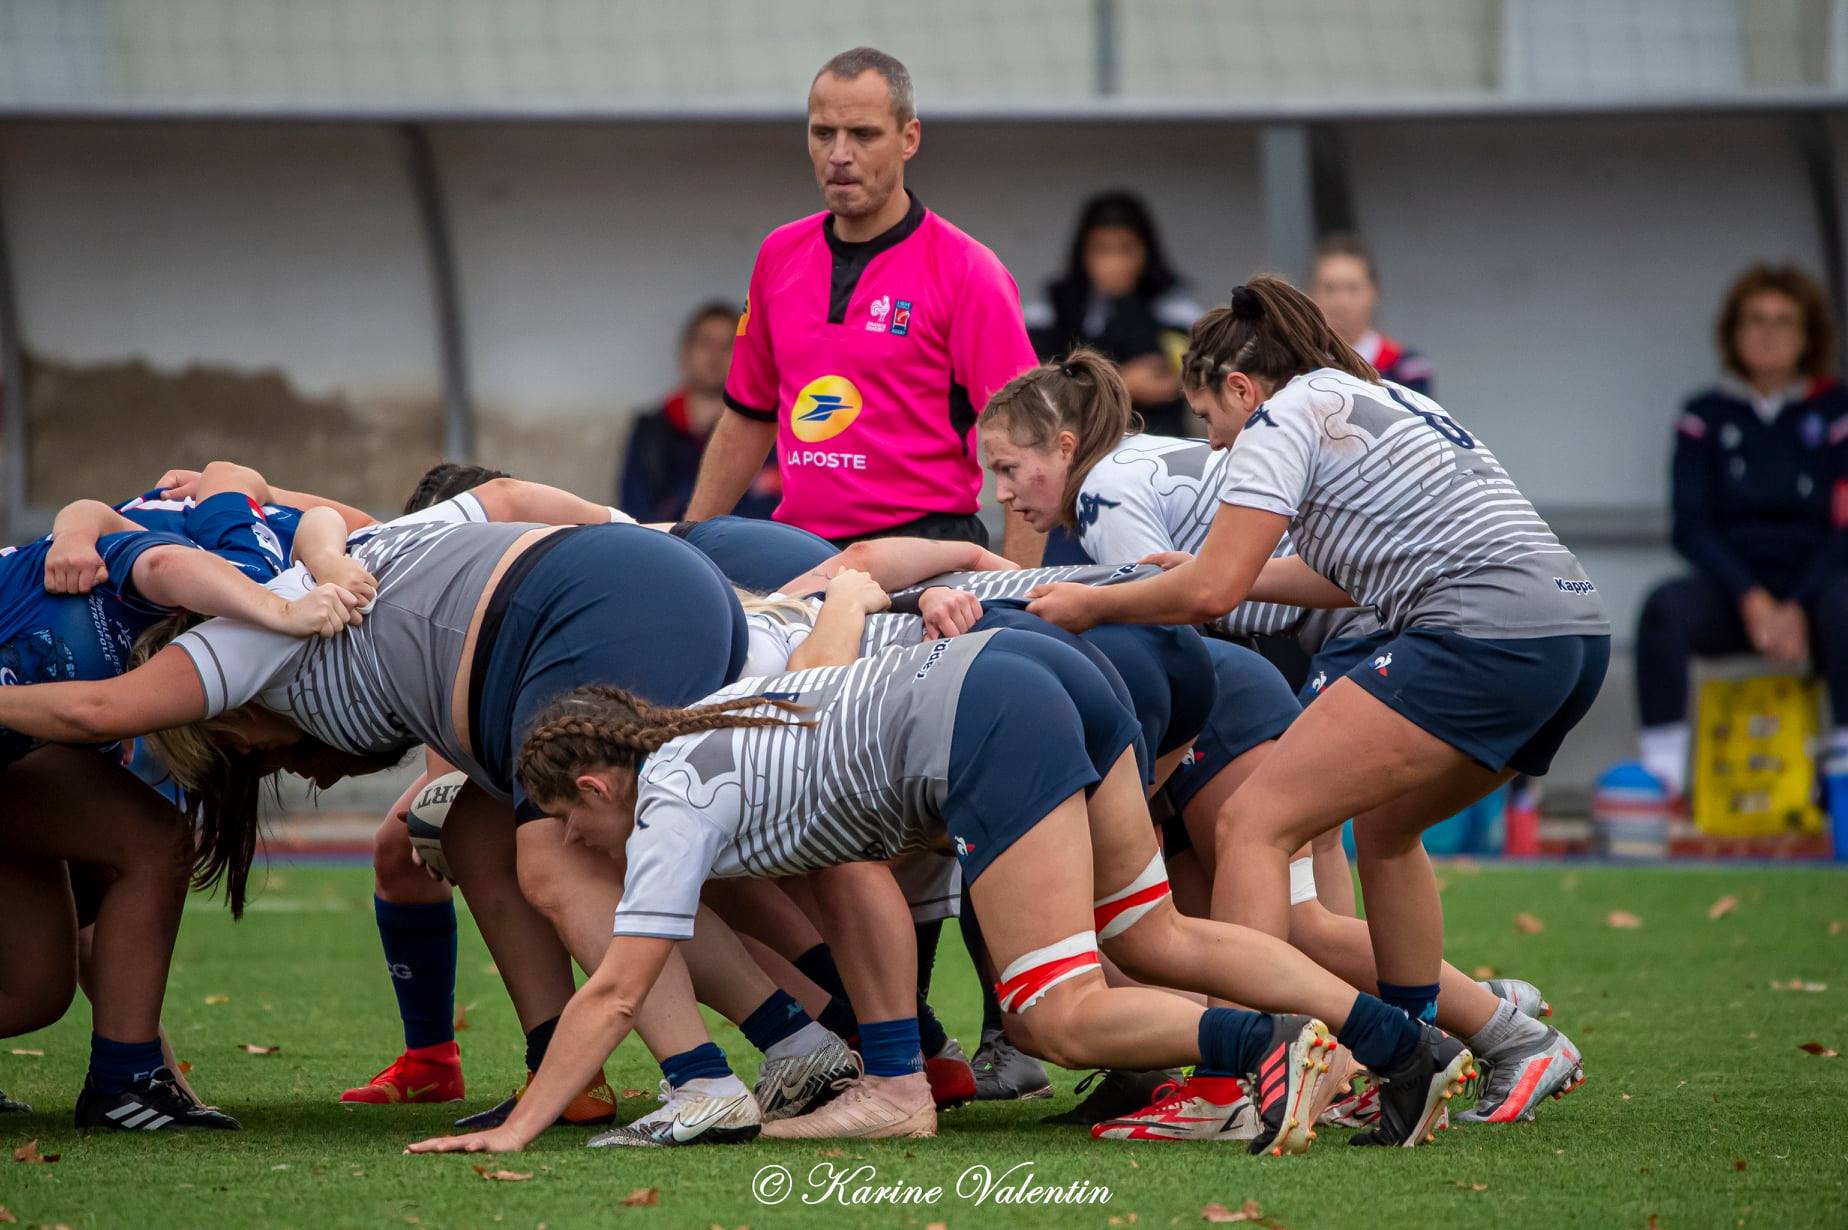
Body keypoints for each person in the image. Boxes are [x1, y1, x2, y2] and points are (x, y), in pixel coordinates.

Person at [0, 481, 859, 1147]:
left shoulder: (241, 638)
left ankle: (706, 1082)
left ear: (233, 726)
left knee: (565, 860)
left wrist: (281, 601)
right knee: (482, 829)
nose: (311, 774)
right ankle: (767, 1049)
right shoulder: (333, 549)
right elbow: (282, 499)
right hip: (633, 587)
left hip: (587, 610)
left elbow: (97, 713)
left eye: (273, 759)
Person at [405, 628, 1477, 1158]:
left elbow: (615, 990)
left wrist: (516, 1128)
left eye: (574, 824)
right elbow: (853, 881)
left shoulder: (673, 799)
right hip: (1040, 670)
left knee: (1055, 1012)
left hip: (990, 713)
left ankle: (1270, 1052)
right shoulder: (713, 723)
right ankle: (1401, 1047)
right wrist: (895, 1080)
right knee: (1150, 934)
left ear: (594, 784)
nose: (585, 844)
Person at [1024, 277, 1604, 1124]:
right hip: (1570, 631)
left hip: (1479, 633)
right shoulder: (1372, 394)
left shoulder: (1275, 418)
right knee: (1387, 831)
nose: (1217, 449)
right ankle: (1429, 1056)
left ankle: (1243, 1084)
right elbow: (1333, 576)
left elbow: (1213, 597)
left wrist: (1094, 602)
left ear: (1239, 389)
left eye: (1214, 424)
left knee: (1253, 824)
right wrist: (1194, 578)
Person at [684, 46, 1040, 564]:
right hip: (802, 551)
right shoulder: (778, 255)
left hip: (926, 557)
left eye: (864, 134)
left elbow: (1028, 441)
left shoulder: (968, 270)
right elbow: (748, 417)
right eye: (823, 133)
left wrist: (1017, 589)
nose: (839, 154)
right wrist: (690, 544)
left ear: (909, 139)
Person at [1634, 264, 1848, 802]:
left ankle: (1843, 773)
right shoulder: (1703, 414)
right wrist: (1752, 599)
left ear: (1807, 337)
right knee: (1664, 608)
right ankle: (1663, 783)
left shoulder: (1838, 410)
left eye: (1783, 321)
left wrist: (1796, 605)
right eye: (1755, 320)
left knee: (1847, 606)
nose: (1768, 333)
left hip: (1818, 590)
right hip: (1736, 590)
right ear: (1733, 331)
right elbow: (1691, 525)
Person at [1026, 192, 1202, 437]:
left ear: (1145, 252)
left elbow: (1179, 378)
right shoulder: (1052, 307)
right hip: (1078, 443)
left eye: (1125, 250)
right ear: (1083, 253)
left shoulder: (1174, 306)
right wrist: (1121, 383)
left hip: (1158, 443)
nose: (1114, 262)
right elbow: (1035, 385)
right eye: (1102, 250)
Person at [620, 303, 780, 522]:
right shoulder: (651, 429)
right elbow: (633, 510)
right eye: (705, 343)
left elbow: (767, 512)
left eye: (727, 345)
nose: (715, 356)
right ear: (685, 352)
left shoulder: (763, 430)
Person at [1309, 234, 1434, 397]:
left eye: (1352, 288)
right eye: (1329, 288)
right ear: (1309, 295)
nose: (1341, 301)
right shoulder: (1296, 366)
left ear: (1374, 292)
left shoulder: (1406, 367)